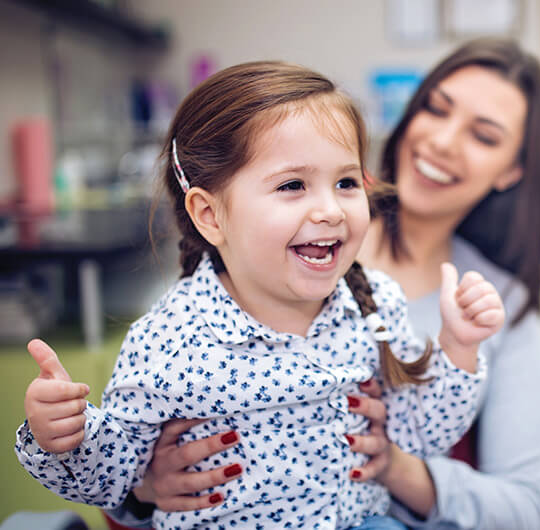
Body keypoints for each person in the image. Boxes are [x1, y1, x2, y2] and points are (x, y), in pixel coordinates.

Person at [15, 61, 506, 530]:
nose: (331, 210)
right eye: (293, 184)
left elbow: (424, 434)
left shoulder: (374, 304)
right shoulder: (169, 338)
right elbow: (110, 477)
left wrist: (459, 346)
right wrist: (64, 435)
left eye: (346, 182)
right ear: (210, 216)